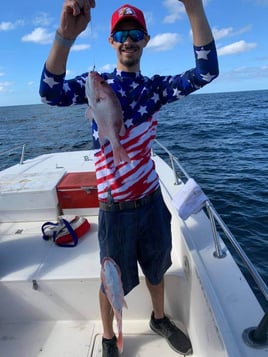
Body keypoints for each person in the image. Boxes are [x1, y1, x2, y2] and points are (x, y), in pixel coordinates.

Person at [39, 1, 219, 356]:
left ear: (146, 40)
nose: (128, 41)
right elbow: (49, 93)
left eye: (135, 34)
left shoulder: (154, 89)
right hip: (113, 207)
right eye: (121, 34)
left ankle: (159, 318)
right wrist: (65, 36)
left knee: (156, 268)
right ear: (111, 41)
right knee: (111, 280)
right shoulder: (96, 85)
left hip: (151, 201)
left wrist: (194, 7)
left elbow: (206, 72)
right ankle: (108, 338)